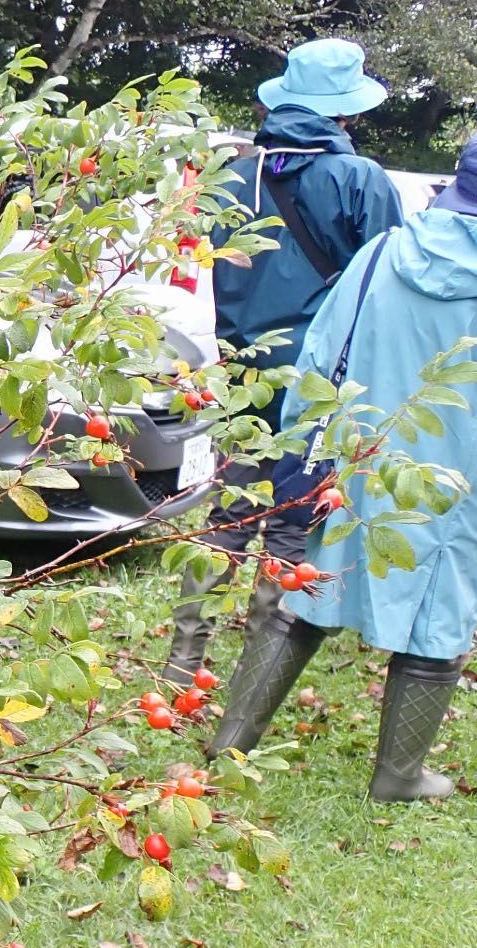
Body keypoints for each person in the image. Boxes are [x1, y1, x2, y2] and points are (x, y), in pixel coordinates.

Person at [206, 135, 477, 800]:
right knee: (439, 609)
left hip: (358, 464)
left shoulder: (384, 252)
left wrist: (304, 449)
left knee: (309, 590)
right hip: (457, 479)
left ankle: (230, 742)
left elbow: (322, 354)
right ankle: (399, 773)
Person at [164, 38, 406, 681]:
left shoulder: (234, 174)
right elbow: (382, 279)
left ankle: (182, 665)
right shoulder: (360, 179)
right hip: (322, 376)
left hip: (243, 368)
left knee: (230, 511)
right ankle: (257, 674)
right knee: (295, 521)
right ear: (343, 111)